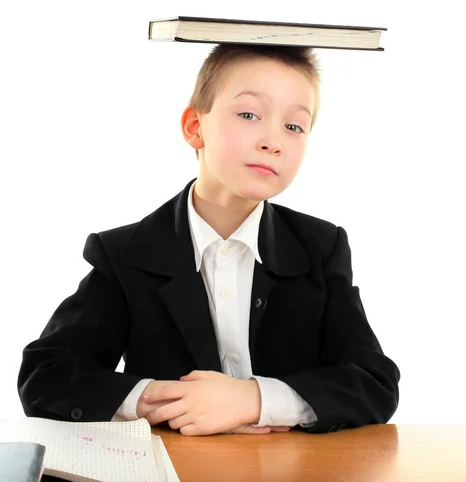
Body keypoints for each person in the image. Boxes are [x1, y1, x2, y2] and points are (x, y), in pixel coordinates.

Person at [18, 43, 400, 437]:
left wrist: (254, 401)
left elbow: (374, 382)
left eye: (294, 126)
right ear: (194, 127)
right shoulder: (126, 253)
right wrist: (167, 401)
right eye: (249, 114)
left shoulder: (320, 247)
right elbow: (47, 375)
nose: (274, 141)